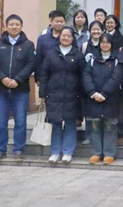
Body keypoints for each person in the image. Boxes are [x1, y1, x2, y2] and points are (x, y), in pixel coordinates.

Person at [0, 15, 36, 165]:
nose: (14, 27)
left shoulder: (28, 45)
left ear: (21, 26)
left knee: (20, 122)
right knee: (1, 122)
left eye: (17, 24)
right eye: (11, 24)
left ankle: (18, 150)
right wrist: (2, 78)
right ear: (6, 26)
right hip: (0, 90)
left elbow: (31, 65)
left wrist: (18, 80)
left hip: (20, 90)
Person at [39, 26, 86, 163]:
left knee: (70, 123)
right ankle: (55, 152)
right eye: (63, 35)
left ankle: (67, 152)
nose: (66, 38)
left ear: (73, 38)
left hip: (73, 94)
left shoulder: (78, 55)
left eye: (68, 36)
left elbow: (83, 75)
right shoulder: (51, 53)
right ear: (59, 37)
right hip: (54, 94)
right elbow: (44, 74)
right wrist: (42, 93)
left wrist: (82, 94)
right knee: (56, 123)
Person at [83, 33, 123, 165]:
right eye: (102, 42)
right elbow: (86, 76)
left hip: (110, 99)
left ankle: (109, 153)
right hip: (94, 99)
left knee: (109, 126)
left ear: (112, 44)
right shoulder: (93, 59)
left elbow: (115, 79)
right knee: (95, 126)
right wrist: (93, 92)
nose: (105, 45)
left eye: (107, 42)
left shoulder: (116, 60)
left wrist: (104, 93)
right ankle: (96, 153)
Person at [35, 10, 66, 83]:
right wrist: (38, 78)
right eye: (57, 21)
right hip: (46, 77)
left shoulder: (68, 38)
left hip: (64, 77)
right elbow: (38, 59)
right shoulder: (42, 38)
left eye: (61, 21)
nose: (59, 23)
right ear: (51, 22)